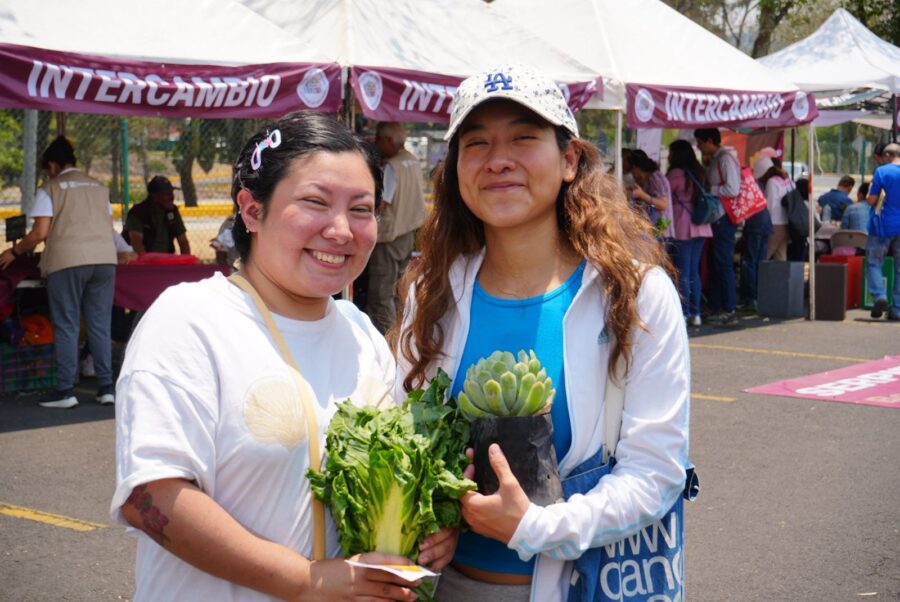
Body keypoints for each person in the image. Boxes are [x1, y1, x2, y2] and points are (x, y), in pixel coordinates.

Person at [111, 112, 454, 601]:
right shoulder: (190, 321)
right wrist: (305, 581)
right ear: (251, 211)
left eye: (361, 209)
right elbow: (152, 497)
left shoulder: (360, 334)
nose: (341, 230)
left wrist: (431, 524)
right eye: (314, 202)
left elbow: (388, 474)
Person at [393, 65, 690, 602]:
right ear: (456, 168)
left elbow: (656, 472)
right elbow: (407, 440)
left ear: (570, 159)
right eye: (476, 143)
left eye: (524, 138)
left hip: (578, 587)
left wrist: (536, 528)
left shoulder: (634, 294)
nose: (498, 159)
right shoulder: (430, 293)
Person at [0, 136, 117, 409]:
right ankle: (106, 387)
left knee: (67, 324)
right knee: (100, 324)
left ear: (52, 165)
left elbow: (40, 233)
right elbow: (107, 227)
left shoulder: (50, 188)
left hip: (68, 261)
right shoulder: (99, 187)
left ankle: (65, 390)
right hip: (104, 260)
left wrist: (14, 252)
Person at [367, 121, 427, 333]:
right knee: (399, 290)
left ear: (389, 141)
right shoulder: (412, 160)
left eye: (378, 139)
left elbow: (382, 204)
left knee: (381, 294)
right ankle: (401, 331)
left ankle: (388, 339)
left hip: (389, 238)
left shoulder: (391, 167)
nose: (375, 143)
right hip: (408, 233)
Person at [695, 127, 739, 326]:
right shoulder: (715, 160)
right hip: (716, 219)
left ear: (711, 141)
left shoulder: (725, 159)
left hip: (724, 218)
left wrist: (710, 189)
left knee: (723, 264)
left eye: (701, 142)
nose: (699, 146)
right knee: (715, 264)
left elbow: (733, 188)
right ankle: (717, 306)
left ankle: (729, 308)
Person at [666, 139, 713, 325]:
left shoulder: (676, 174)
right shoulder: (698, 171)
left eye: (670, 152)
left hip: (682, 226)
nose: (668, 156)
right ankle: (696, 313)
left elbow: (664, 193)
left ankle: (684, 312)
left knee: (683, 272)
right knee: (694, 272)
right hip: (701, 226)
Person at [865, 142, 900, 321]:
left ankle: (879, 295)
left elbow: (871, 200)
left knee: (874, 262)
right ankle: (897, 309)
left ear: (887, 156)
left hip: (882, 226)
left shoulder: (882, 172)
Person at [124, 176, 191, 255]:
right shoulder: (138, 212)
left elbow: (183, 242)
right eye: (166, 194)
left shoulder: (172, 211)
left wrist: (186, 263)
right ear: (154, 196)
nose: (171, 197)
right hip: (145, 262)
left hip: (167, 260)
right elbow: (136, 243)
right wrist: (147, 264)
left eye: (171, 193)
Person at [753, 155, 795, 261]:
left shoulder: (772, 182)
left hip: (775, 224)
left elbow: (770, 206)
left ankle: (760, 277)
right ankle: (781, 278)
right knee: (780, 257)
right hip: (788, 224)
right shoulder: (789, 181)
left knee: (763, 258)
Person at [629, 149, 673, 238]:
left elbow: (663, 205)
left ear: (635, 167)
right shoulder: (649, 179)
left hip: (661, 231)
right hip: (655, 230)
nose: (632, 173)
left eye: (631, 169)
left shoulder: (655, 178)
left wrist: (642, 195)